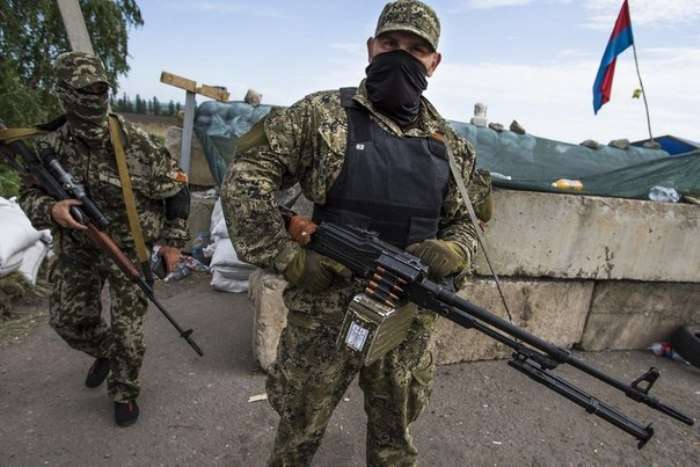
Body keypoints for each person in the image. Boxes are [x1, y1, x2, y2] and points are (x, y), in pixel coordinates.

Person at [222, 0, 480, 464]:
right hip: (325, 310)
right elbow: (246, 176)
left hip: (406, 317)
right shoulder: (321, 116)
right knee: (298, 429)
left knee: (394, 440)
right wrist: (286, 257)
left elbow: (469, 221)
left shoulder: (451, 146)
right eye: (391, 44)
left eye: (417, 49)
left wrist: (455, 251)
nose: (402, 56)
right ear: (370, 48)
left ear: (434, 62)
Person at [19, 51, 190, 427]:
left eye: (100, 90)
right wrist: (52, 210)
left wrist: (174, 242)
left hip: (130, 249)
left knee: (130, 334)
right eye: (84, 91)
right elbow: (28, 193)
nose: (94, 98)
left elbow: (178, 189)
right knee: (68, 321)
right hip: (78, 248)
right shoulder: (50, 146)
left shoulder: (137, 142)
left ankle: (124, 391)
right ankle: (108, 352)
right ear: (64, 94)